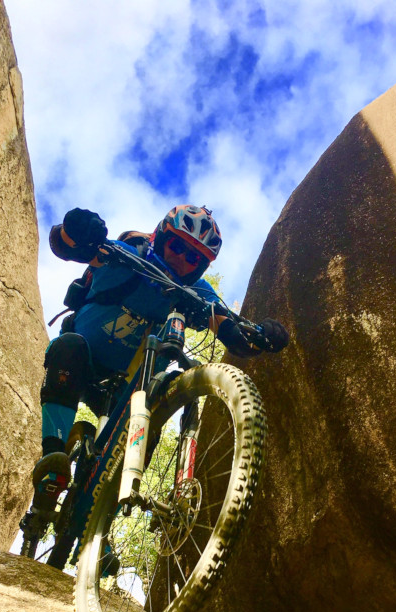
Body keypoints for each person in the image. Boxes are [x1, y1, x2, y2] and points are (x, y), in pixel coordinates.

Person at [32, 203, 289, 506]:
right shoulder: (127, 255)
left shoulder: (198, 292)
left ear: (201, 267)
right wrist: (77, 227)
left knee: (154, 413)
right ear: (161, 236)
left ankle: (102, 517)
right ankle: (52, 463)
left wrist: (261, 337)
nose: (181, 259)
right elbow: (66, 245)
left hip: (129, 392)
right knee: (69, 346)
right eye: (177, 246)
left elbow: (232, 334)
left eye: (193, 258)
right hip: (82, 363)